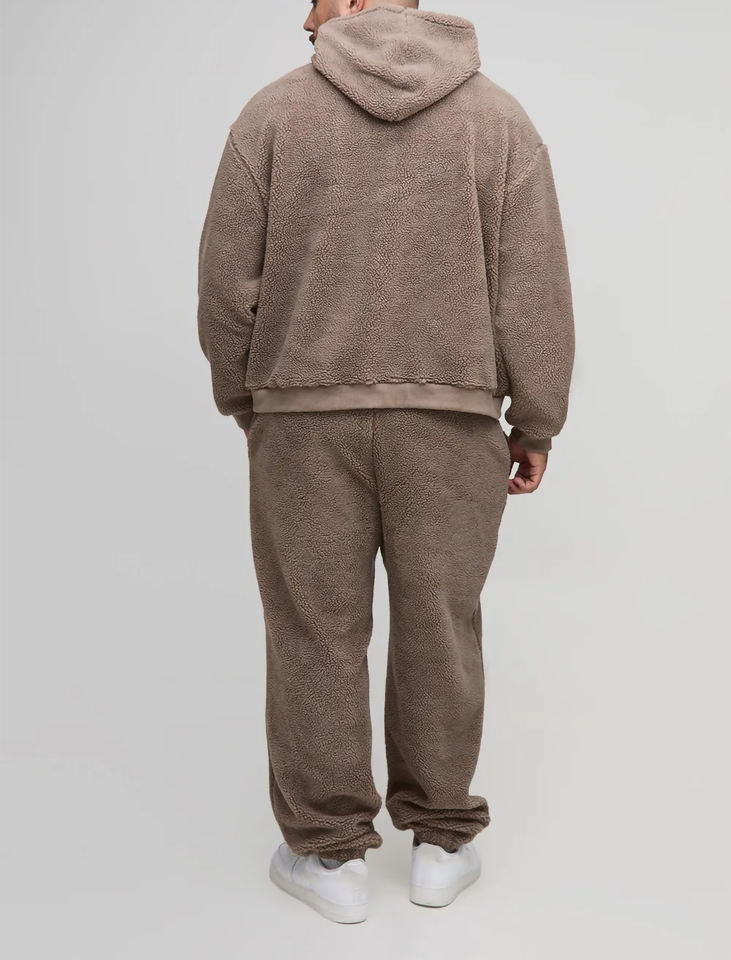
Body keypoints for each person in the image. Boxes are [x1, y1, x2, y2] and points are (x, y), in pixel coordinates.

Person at [197, 0, 574, 924]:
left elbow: (224, 285)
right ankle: (441, 842)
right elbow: (532, 288)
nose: (304, 15)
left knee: (313, 632)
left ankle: (327, 858)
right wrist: (536, 420)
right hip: (450, 425)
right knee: (439, 626)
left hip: (303, 425)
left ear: (359, 1)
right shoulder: (499, 121)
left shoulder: (272, 115)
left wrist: (246, 398)